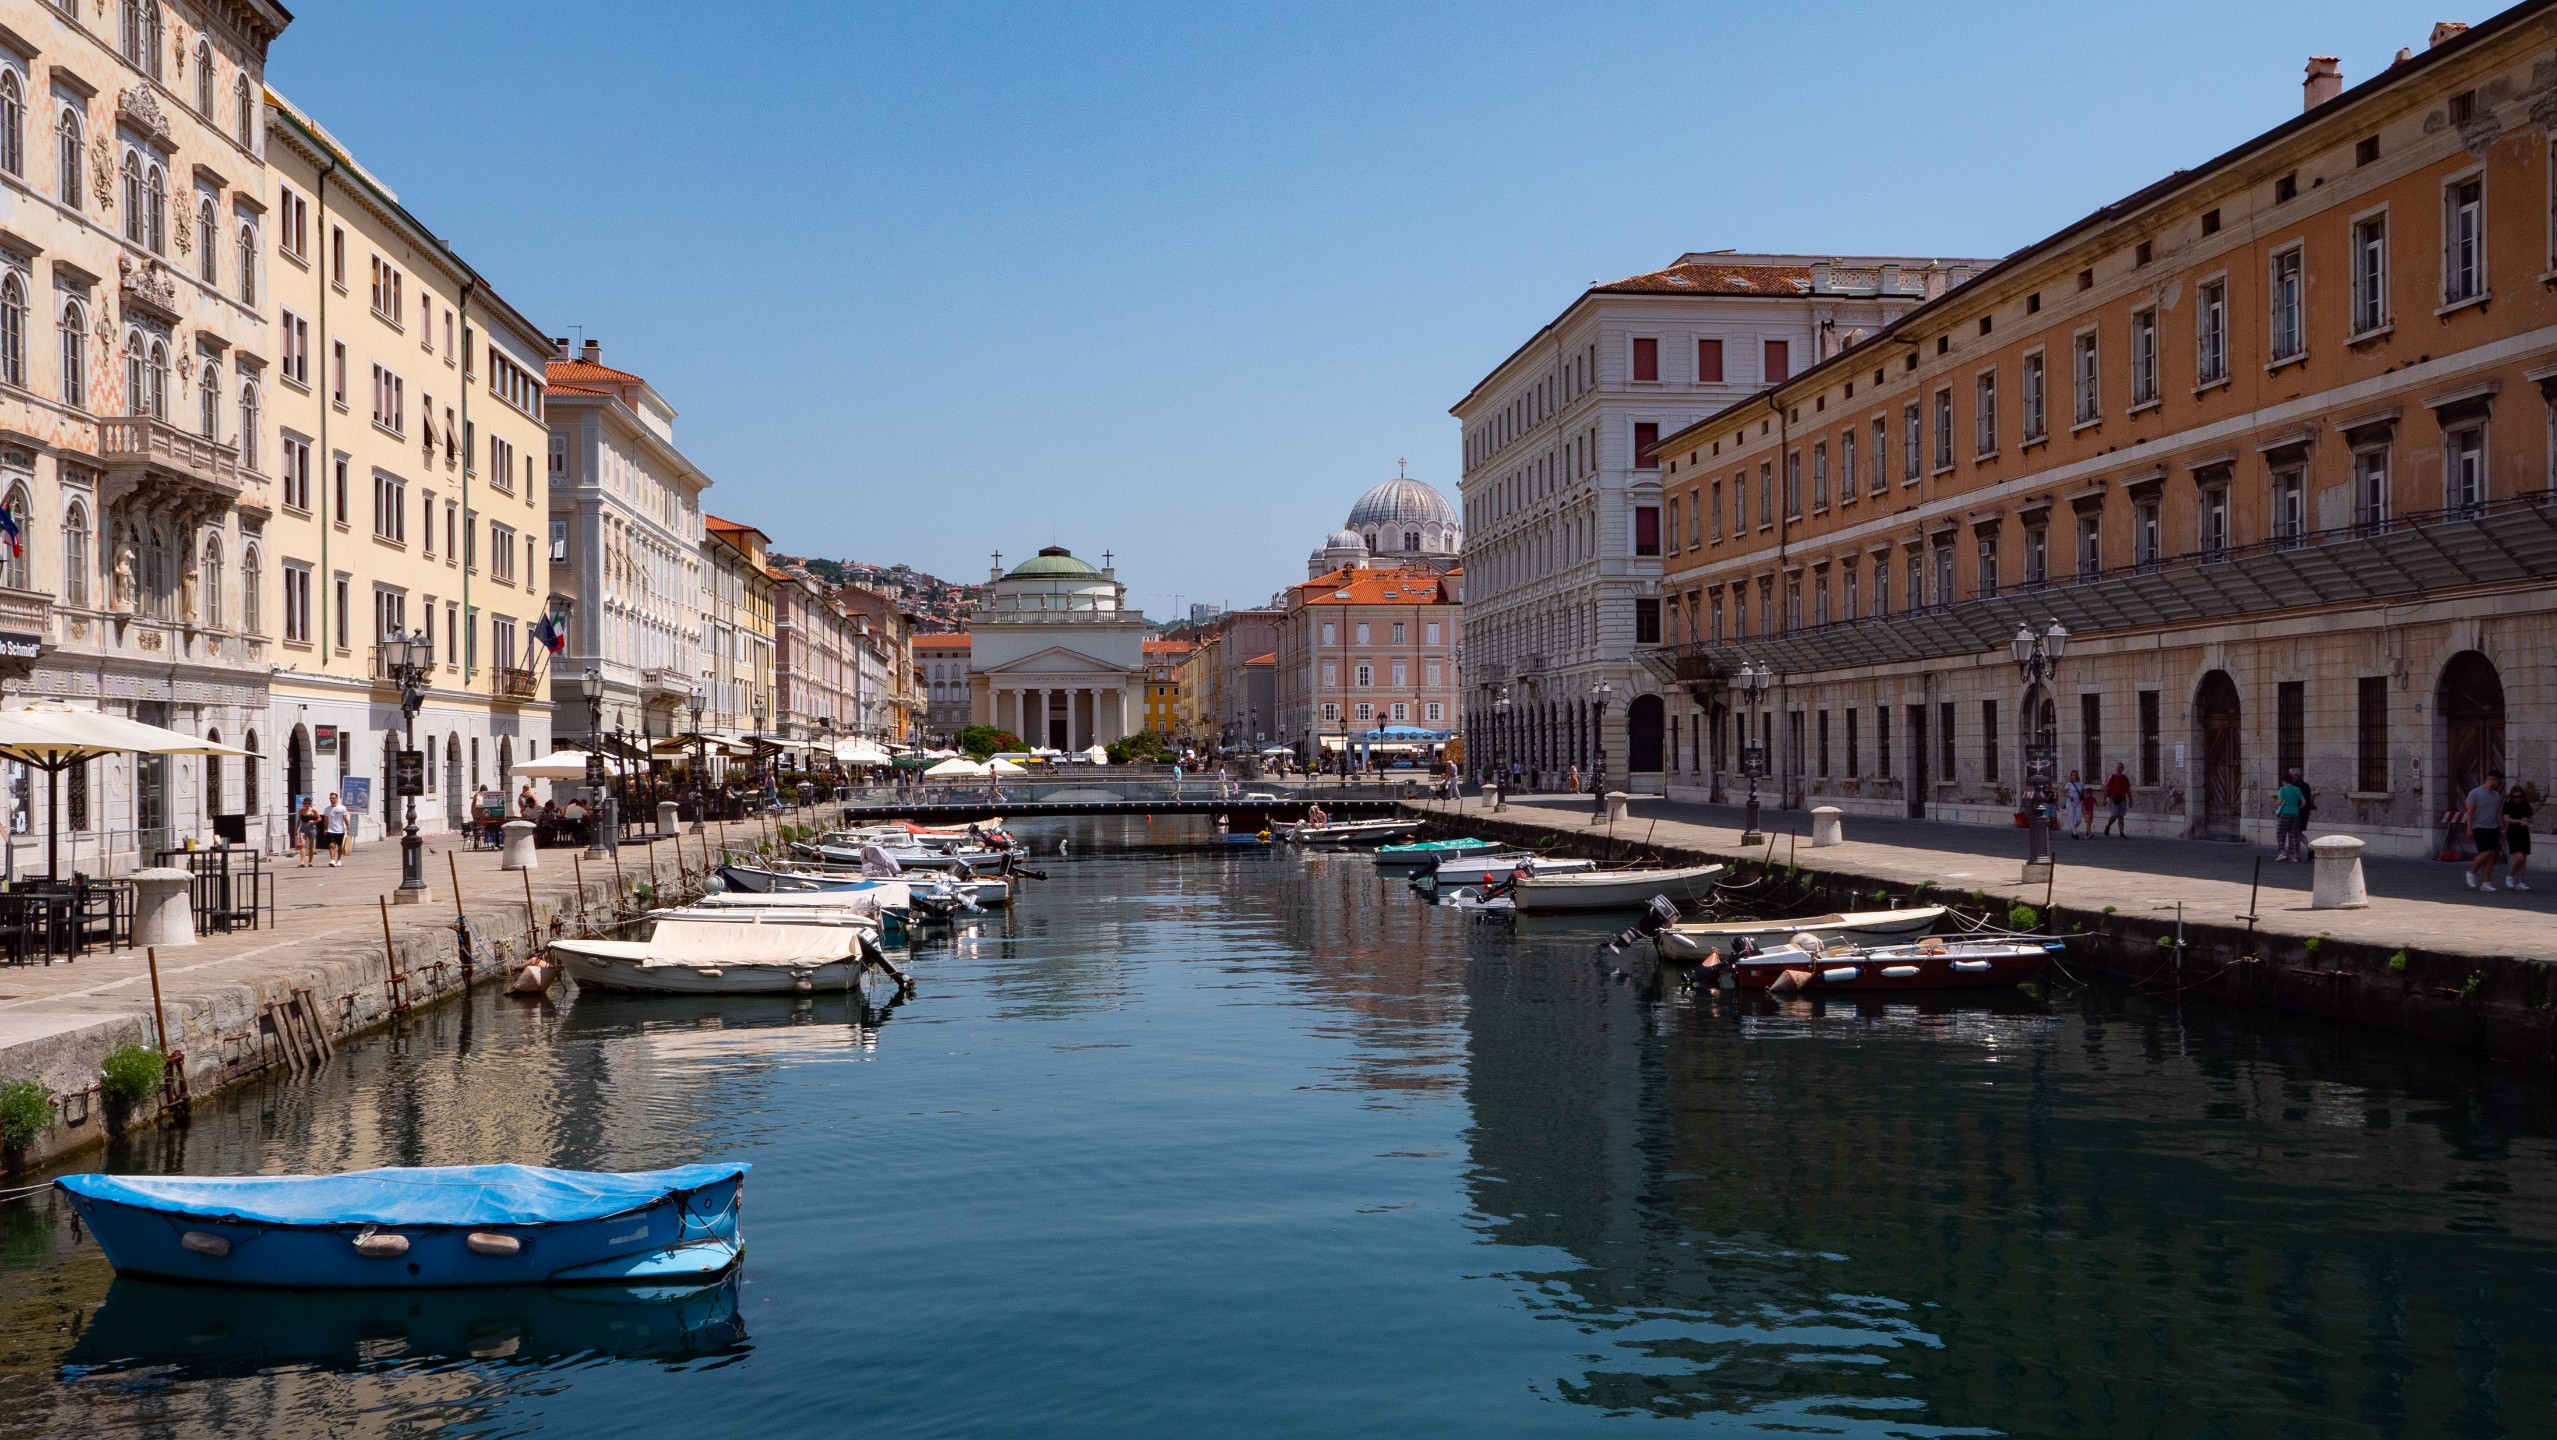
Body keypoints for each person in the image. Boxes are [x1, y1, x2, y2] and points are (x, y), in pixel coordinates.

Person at [2465, 770, 2507, 893]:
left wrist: (2502, 829)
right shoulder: (2474, 794)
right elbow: (2469, 812)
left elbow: (2498, 813)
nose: (2499, 785)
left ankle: (2486, 883)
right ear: (2492, 780)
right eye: (2499, 782)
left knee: (2491, 856)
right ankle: (2471, 872)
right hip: (2479, 827)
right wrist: (2469, 828)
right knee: (2485, 853)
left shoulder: (2496, 795)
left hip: (2493, 828)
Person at [2503, 783, 2535, 892]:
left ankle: (2521, 882)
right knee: (2519, 857)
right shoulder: (2508, 805)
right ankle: (2510, 875)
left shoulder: (2525, 804)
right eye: (2515, 797)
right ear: (2511, 797)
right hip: (2513, 832)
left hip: (2524, 832)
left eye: (2519, 797)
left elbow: (2531, 818)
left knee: (2524, 859)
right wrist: (2519, 821)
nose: (2517, 799)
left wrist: (2527, 820)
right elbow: (2506, 819)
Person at [2274, 769, 2307, 861]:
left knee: (2281, 834)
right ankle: (2294, 856)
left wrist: (2277, 803)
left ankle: (2282, 853)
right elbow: (2303, 803)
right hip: (2295, 814)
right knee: (2294, 835)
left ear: (2284, 780)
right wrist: (2296, 808)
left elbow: (2279, 802)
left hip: (2284, 814)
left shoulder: (2283, 789)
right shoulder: (2297, 789)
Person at [2103, 764, 2132, 837]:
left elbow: (2128, 789)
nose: (2119, 768)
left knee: (2121, 816)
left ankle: (2121, 832)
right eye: (2118, 767)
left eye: (2120, 767)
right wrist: (2104, 799)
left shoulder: (2125, 778)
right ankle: (2108, 825)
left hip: (2122, 799)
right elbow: (2107, 788)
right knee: (2114, 815)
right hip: (2114, 799)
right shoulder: (2112, 777)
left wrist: (2130, 799)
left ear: (2123, 768)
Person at [323, 791, 351, 867]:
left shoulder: (342, 808)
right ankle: (332, 860)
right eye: (330, 798)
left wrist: (348, 828)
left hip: (340, 830)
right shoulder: (327, 809)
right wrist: (325, 829)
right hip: (331, 830)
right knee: (331, 845)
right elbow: (326, 820)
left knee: (339, 846)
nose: (331, 799)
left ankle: (339, 860)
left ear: (336, 798)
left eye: (333, 798)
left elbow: (345, 819)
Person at [295, 796, 321, 867]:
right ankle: (302, 862)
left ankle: (310, 862)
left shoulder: (313, 810)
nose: (307, 805)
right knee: (302, 845)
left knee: (311, 846)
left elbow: (319, 818)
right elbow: (299, 820)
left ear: (310, 804)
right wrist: (296, 829)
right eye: (305, 803)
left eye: (308, 803)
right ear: (303, 804)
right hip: (303, 828)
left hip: (311, 828)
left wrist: (314, 821)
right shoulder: (301, 810)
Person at [2063, 771, 2088, 839]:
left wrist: (2084, 798)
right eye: (2073, 775)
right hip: (2070, 803)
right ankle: (2075, 833)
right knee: (2071, 817)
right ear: (2071, 776)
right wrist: (2069, 796)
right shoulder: (2068, 784)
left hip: (2078, 803)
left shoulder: (2081, 784)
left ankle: (2073, 829)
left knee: (2079, 819)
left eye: (2076, 774)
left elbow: (2082, 793)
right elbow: (2064, 793)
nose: (2075, 776)